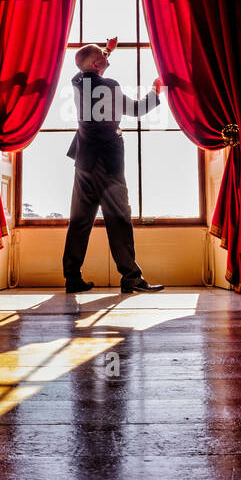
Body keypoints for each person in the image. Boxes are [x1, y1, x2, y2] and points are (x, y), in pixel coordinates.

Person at [62, 36, 166, 294]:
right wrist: (156, 92)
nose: (107, 57)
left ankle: (72, 277)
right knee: (119, 219)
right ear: (98, 63)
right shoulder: (110, 85)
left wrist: (106, 50)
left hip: (84, 162)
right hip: (107, 163)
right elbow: (137, 109)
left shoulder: (76, 82)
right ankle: (131, 277)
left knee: (80, 221)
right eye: (104, 56)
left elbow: (89, 67)